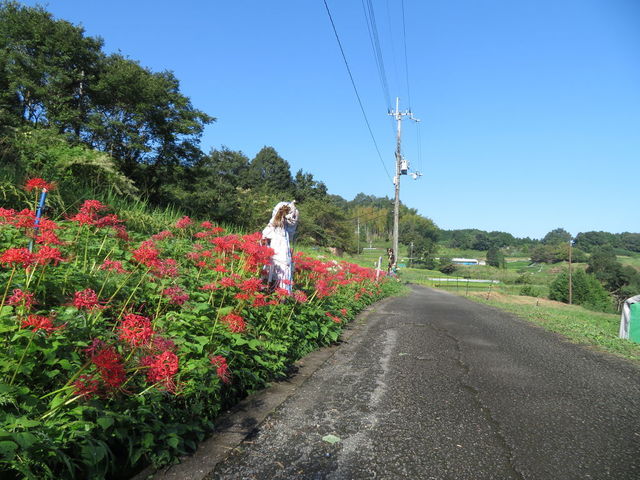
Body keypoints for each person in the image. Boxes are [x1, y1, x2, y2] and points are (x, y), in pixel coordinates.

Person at [261, 201, 299, 293]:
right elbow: (291, 230)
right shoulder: (280, 232)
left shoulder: (271, 228)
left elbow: (263, 242)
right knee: (277, 269)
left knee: (271, 269)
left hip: (277, 252)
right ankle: (278, 293)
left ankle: (268, 290)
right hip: (280, 252)